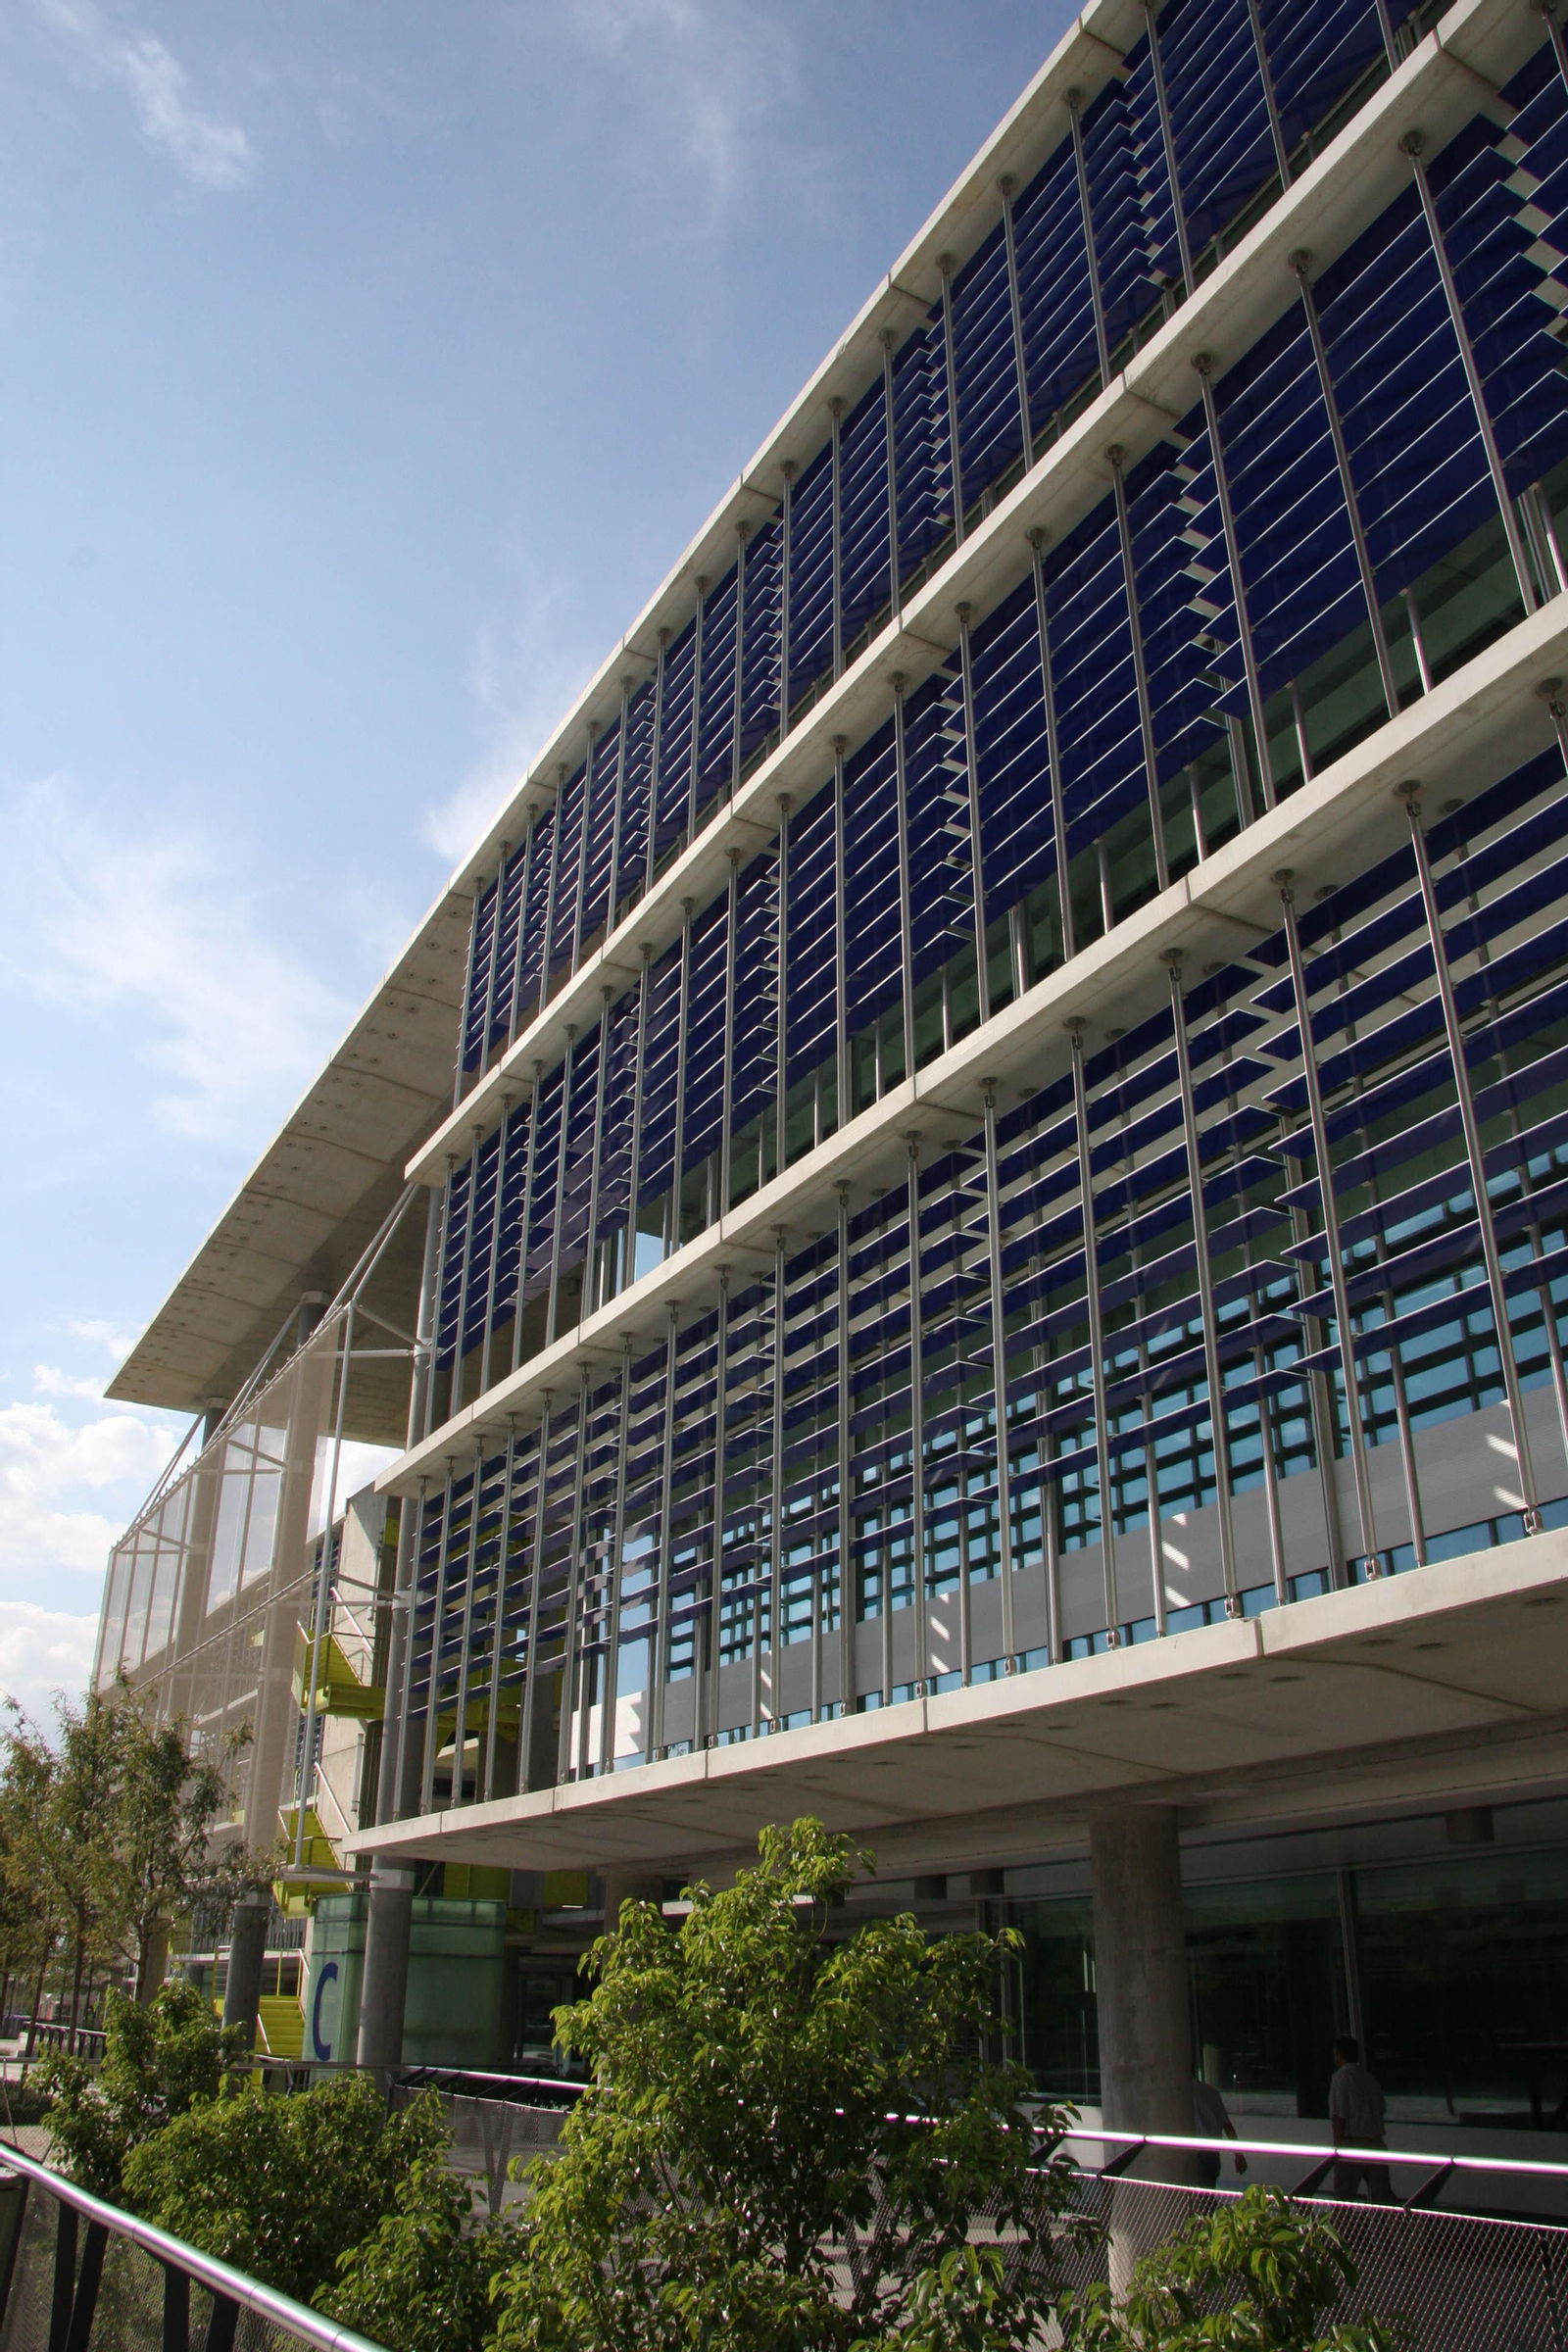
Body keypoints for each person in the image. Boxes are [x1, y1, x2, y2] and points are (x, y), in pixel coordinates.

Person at [1329, 2035, 1394, 2203]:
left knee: (1344, 2196)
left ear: (1339, 2055)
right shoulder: (1370, 2078)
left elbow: (1339, 2116)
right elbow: (1380, 2108)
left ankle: (1344, 2228)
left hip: (1352, 2144)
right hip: (1376, 2143)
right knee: (1383, 2197)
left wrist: (1337, 2148)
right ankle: (1391, 2227)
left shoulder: (1340, 2079)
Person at [1192, 2075, 1248, 2188]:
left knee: (1201, 2196)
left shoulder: (1182, 2094)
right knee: (1208, 2192)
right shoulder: (1211, 2092)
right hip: (1213, 2154)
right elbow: (1227, 2125)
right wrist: (1238, 2155)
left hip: (1198, 2154)